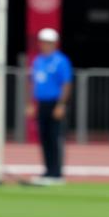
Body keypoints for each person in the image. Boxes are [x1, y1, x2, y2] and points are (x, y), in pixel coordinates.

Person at [26, 28, 73, 185]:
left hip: (55, 103)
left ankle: (57, 173)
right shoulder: (38, 60)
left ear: (54, 43)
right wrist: (31, 103)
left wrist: (61, 104)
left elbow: (66, 84)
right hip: (42, 103)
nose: (45, 45)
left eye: (48, 42)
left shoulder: (61, 60)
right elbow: (33, 82)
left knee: (54, 138)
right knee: (44, 138)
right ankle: (48, 171)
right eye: (43, 42)